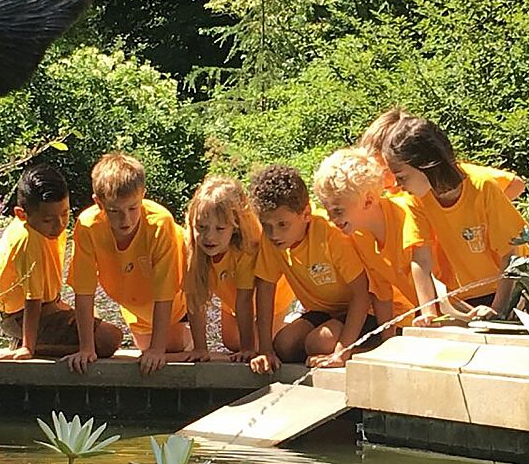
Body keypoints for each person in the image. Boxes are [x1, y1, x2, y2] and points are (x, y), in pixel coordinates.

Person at [382, 115, 529, 319]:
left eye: (401, 177)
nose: (398, 185)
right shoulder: (416, 200)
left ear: (426, 164)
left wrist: (498, 310)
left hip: (517, 288)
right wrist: (428, 312)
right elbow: (421, 261)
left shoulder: (483, 187)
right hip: (471, 294)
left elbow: (511, 255)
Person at [65, 153, 189, 376]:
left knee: (172, 350)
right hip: (135, 305)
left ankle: (192, 343)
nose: (126, 220)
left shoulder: (160, 223)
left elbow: (165, 291)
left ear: (143, 195)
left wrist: (158, 349)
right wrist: (87, 348)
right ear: (98, 202)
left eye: (133, 208)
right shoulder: (87, 225)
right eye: (115, 211)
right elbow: (84, 291)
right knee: (145, 354)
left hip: (177, 302)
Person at [248, 164, 376, 373]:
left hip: (366, 310)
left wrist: (342, 351)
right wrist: (264, 349)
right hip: (324, 312)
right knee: (284, 345)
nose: (274, 234)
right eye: (266, 225)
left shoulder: (330, 235)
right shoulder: (271, 241)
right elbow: (265, 288)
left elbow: (362, 294)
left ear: (305, 213)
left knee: (319, 343)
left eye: (282, 224)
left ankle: (365, 350)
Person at [312, 147, 441, 330]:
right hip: (427, 316)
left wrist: (428, 312)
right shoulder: (359, 236)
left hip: (455, 305)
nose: (332, 220)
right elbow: (382, 294)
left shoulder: (407, 213)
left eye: (338, 211)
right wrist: (387, 341)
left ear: (368, 201)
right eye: (328, 210)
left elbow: (422, 263)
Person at [183, 175, 296, 362]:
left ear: (234, 227)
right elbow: (195, 297)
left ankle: (289, 323)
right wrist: (200, 348)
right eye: (201, 227)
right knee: (231, 342)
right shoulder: (192, 248)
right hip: (231, 294)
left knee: (258, 345)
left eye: (219, 229)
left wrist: (247, 349)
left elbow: (245, 300)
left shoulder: (246, 249)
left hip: (268, 299)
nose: (209, 237)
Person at [0, 164, 88, 360]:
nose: (59, 225)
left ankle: (35, 344)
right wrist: (29, 347)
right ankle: (31, 346)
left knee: (97, 333)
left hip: (48, 307)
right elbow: (32, 299)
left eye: (65, 214)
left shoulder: (46, 228)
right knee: (109, 339)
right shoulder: (27, 239)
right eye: (48, 219)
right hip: (19, 316)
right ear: (21, 214)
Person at [358, 106, 526, 200]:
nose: (377, 178)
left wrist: (480, 222)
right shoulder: (392, 194)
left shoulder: (455, 175)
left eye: (383, 171)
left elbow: (515, 184)